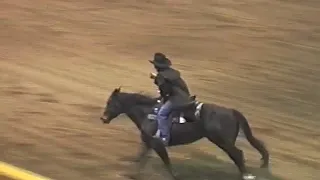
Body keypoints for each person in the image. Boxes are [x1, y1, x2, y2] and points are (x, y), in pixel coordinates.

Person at [149, 52, 191, 146]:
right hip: (185, 96)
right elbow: (169, 82)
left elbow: (165, 90)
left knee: (162, 114)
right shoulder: (172, 72)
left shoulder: (161, 76)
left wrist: (163, 98)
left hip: (176, 99)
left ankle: (164, 138)